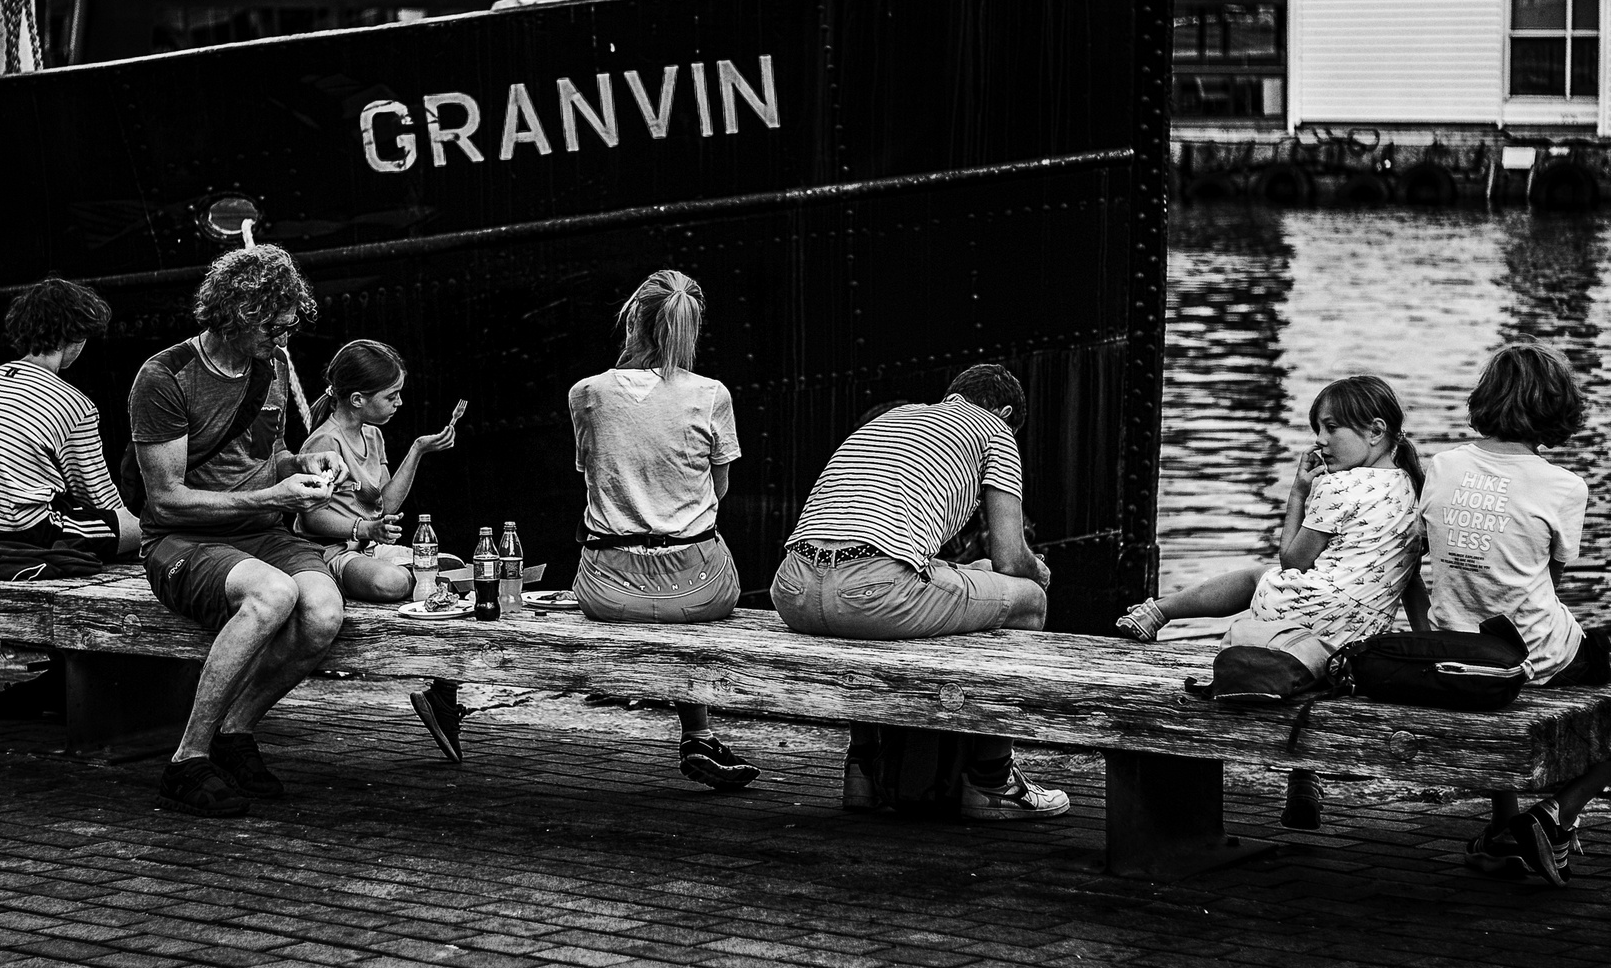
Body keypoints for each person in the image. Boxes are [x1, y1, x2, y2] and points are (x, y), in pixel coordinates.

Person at [1115, 376, 1426, 829]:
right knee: (1308, 673)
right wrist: (1429, 644)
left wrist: (1299, 492)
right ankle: (1304, 779)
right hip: (1360, 645)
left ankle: (1157, 611)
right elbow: (1411, 578)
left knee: (1261, 576)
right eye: (1316, 428)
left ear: (1375, 432)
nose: (1319, 440)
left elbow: (1294, 559)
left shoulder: (1338, 487)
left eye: (1330, 427)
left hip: (1300, 622)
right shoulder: (1415, 489)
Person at [770, 364, 1065, 820]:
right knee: (1027, 601)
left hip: (793, 588)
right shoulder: (995, 430)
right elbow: (1009, 558)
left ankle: (864, 768)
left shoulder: (896, 418)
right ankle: (992, 780)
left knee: (974, 575)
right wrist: (1037, 572)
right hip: (873, 591)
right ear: (1004, 412)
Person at [1415, 342, 1611, 888]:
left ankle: (1505, 834)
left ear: (1485, 399)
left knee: (1495, 657)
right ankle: (1556, 817)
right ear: (1557, 408)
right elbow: (1550, 587)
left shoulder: (1444, 465)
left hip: (1462, 651)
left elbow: (1434, 556)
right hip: (1538, 653)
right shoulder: (1565, 487)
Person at [129, 244, 351, 817]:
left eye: (286, 327)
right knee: (272, 594)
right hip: (183, 539)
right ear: (237, 314)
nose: (282, 341)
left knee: (324, 613)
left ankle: (235, 731)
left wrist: (302, 468)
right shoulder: (163, 376)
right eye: (272, 328)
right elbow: (166, 498)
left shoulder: (270, 367)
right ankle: (187, 761)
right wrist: (272, 496)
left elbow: (268, 454)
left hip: (260, 530)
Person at [561, 268, 760, 789]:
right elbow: (717, 492)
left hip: (608, 588)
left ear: (632, 322)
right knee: (695, 574)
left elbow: (593, 475)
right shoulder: (711, 394)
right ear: (688, 330)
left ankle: (699, 737)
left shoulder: (586, 394)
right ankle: (696, 735)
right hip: (698, 590)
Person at [294, 340, 465, 761]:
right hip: (329, 551)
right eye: (391, 395)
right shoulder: (324, 444)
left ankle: (442, 689)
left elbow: (385, 503)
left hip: (369, 545)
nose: (399, 403)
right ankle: (424, 576)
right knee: (394, 582)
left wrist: (418, 451)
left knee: (454, 566)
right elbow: (312, 519)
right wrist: (362, 527)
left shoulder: (372, 434)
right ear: (357, 399)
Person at [0, 277, 141, 560]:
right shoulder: (75, 404)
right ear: (72, 336)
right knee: (139, 528)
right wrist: (125, 525)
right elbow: (97, 496)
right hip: (30, 533)